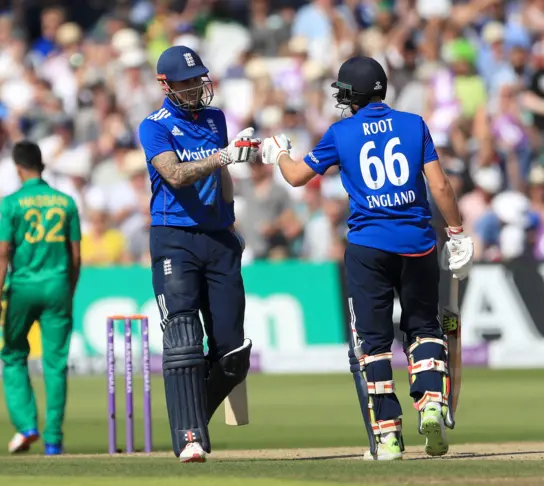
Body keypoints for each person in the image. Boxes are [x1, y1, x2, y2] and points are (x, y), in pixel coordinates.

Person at [261, 56, 474, 460]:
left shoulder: (341, 133)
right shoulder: (414, 124)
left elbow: (295, 177)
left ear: (353, 96)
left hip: (368, 248)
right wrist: (457, 233)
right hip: (417, 243)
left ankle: (389, 438)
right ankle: (430, 403)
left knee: (373, 344)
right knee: (424, 329)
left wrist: (279, 154)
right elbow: (441, 186)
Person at [138, 45, 259, 463]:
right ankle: (188, 436)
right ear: (165, 84)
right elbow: (175, 174)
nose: (195, 88)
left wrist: (231, 222)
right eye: (186, 81)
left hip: (217, 238)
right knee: (184, 339)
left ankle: (193, 420)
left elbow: (222, 175)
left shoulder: (215, 118)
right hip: (174, 237)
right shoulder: (153, 126)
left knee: (232, 353)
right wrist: (222, 155)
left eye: (198, 79)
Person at [0, 140, 81, 456]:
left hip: (23, 288)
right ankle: (54, 439)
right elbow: (75, 254)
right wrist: (68, 290)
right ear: (41, 165)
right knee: (55, 364)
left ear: (18, 168)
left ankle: (27, 425)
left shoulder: (10, 203)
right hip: (57, 285)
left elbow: (3, 253)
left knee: (14, 355)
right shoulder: (66, 202)